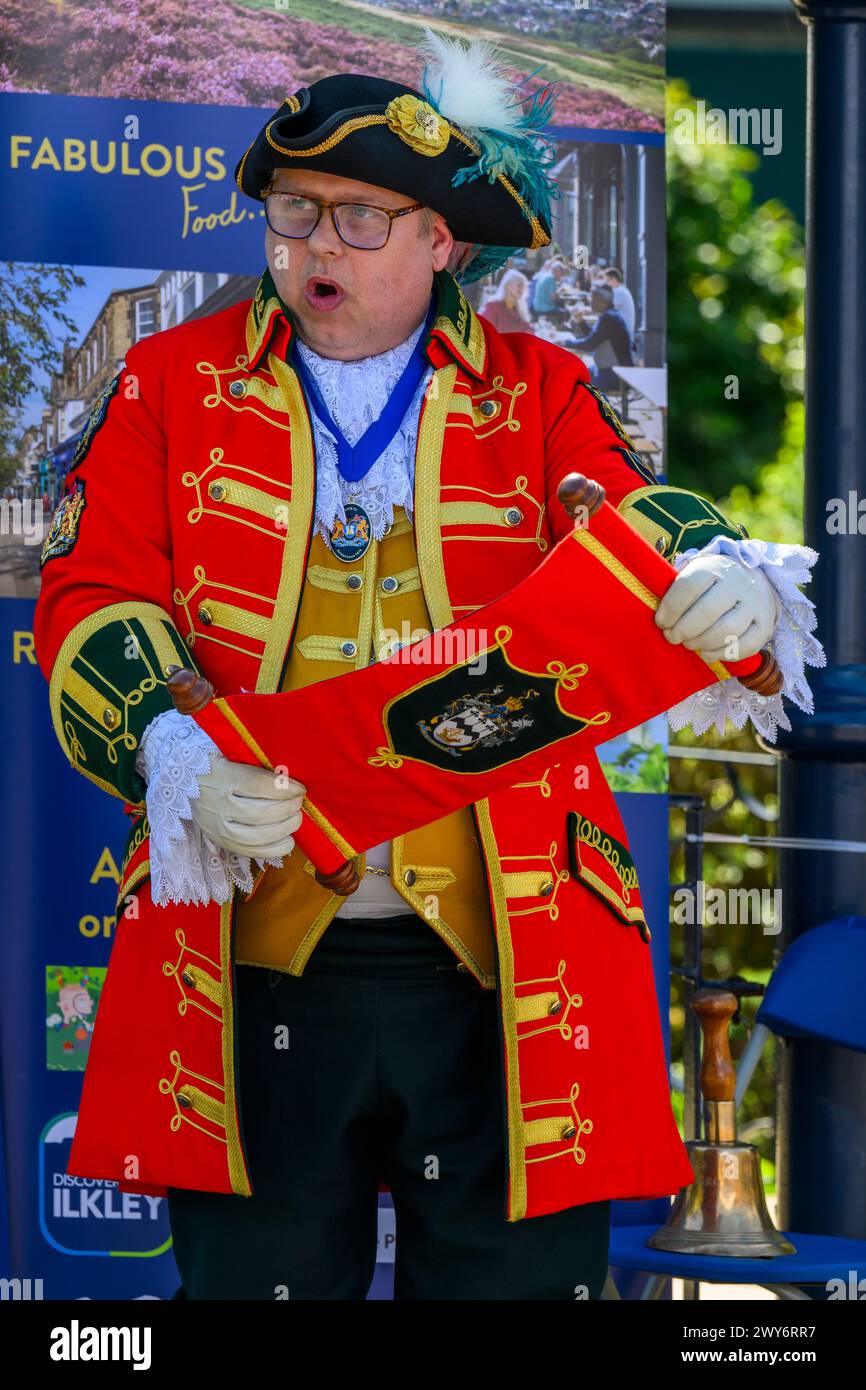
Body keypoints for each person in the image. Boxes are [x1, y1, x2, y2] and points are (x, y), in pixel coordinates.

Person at [33, 32, 821, 1301]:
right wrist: (164, 745)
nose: (312, 249)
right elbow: (90, 591)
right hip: (254, 949)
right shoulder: (167, 382)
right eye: (291, 215)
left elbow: (637, 523)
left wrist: (718, 572)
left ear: (440, 242)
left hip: (508, 962)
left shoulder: (538, 385)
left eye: (356, 217)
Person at [571, 283, 635, 392]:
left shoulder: (609, 318)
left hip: (615, 375)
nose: (590, 301)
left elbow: (589, 345)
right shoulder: (611, 315)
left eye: (593, 298)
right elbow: (594, 337)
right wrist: (581, 322)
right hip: (607, 370)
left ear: (601, 300)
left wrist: (564, 342)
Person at [479, 268, 535, 334]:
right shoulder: (493, 307)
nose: (522, 289)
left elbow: (527, 328)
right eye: (519, 285)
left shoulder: (518, 309)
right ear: (508, 285)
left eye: (523, 286)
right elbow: (485, 333)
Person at [604, 266, 636, 343]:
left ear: (614, 280)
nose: (606, 283)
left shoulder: (619, 292)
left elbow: (605, 308)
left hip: (623, 336)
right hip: (624, 332)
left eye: (607, 280)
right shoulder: (622, 290)